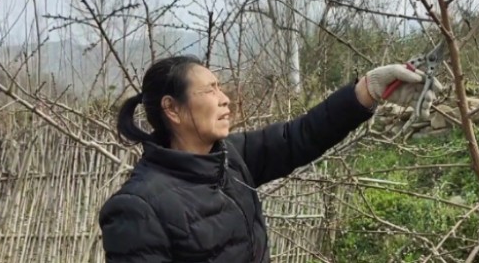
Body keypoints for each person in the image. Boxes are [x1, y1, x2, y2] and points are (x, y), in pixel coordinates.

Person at [98, 55, 441, 263]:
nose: (224, 99)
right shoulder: (138, 207)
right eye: (210, 90)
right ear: (171, 108)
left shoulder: (231, 159)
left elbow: (302, 135)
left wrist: (371, 88)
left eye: (221, 87)